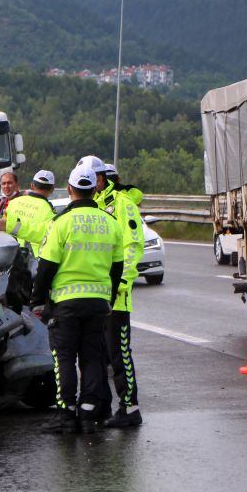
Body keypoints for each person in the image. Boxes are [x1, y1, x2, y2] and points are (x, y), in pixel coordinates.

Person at [30, 165, 124, 435]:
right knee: (93, 359)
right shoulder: (110, 223)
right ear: (94, 190)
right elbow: (117, 267)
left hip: (65, 304)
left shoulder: (61, 223)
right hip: (98, 303)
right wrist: (109, 296)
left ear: (70, 190)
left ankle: (66, 414)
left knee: (64, 359)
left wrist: (37, 301)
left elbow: (46, 267)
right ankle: (88, 413)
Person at [99, 164, 146, 428]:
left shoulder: (123, 202)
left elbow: (133, 245)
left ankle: (130, 408)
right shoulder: (95, 203)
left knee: (119, 355)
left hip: (116, 297)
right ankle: (102, 407)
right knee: (99, 356)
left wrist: (121, 283)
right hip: (95, 295)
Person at [0, 170, 56, 258]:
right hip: (35, 260)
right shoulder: (49, 211)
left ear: (32, 185)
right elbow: (49, 238)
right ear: (52, 189)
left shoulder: (13, 203)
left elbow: (2, 228)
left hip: (11, 257)